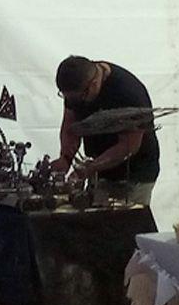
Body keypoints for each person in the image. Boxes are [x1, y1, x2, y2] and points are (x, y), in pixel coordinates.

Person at [52, 56, 161, 205]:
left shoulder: (129, 94)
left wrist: (90, 168)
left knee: (128, 223)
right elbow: (70, 127)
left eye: (80, 98)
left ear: (94, 83)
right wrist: (65, 158)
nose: (76, 103)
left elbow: (129, 145)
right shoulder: (78, 88)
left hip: (134, 175)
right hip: (99, 172)